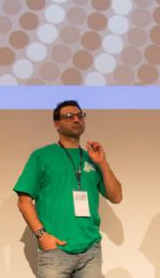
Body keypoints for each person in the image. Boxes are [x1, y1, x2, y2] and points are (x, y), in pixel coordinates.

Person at [14, 100, 122, 278]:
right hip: (56, 250)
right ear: (56, 124)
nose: (76, 119)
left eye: (80, 116)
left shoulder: (92, 159)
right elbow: (23, 202)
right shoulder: (41, 156)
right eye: (69, 116)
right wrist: (42, 236)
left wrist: (103, 163)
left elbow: (116, 196)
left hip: (90, 250)